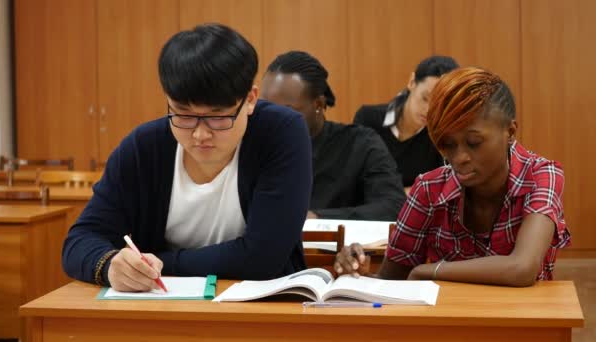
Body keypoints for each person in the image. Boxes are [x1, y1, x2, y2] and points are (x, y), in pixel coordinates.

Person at [62, 24, 313, 292]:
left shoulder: (281, 133)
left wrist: (159, 263)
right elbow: (80, 240)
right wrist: (111, 264)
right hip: (159, 308)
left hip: (261, 307)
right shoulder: (143, 147)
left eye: (217, 116)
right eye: (183, 114)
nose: (200, 134)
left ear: (250, 100)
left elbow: (263, 257)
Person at [335, 67, 571, 287]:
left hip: (524, 323)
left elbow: (522, 267)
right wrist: (360, 275)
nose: (459, 158)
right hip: (446, 325)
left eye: (474, 143)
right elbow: (392, 281)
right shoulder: (428, 188)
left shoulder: (541, 175)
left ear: (510, 132)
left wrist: (430, 271)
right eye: (448, 145)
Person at [260, 51, 406, 221]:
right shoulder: (252, 143)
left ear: (319, 104)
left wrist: (318, 218)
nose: (272, 119)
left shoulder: (360, 144)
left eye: (286, 111)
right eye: (265, 107)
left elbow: (393, 206)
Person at [354, 56, 459, 189]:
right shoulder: (368, 119)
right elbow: (355, 182)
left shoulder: (440, 135)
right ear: (412, 82)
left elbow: (441, 189)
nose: (429, 111)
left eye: (439, 105)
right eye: (425, 98)